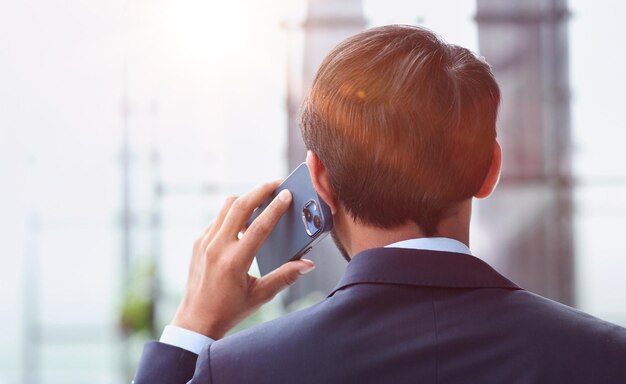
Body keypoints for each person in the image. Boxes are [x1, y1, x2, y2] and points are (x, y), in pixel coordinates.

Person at [134, 25, 626, 383]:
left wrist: (191, 330)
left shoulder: (242, 370)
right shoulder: (606, 357)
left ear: (319, 180)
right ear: (489, 170)